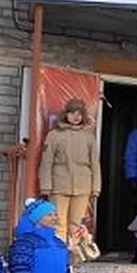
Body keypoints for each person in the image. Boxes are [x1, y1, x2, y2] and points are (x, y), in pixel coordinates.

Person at [37, 98, 100, 241]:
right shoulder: (54, 135)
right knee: (58, 222)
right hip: (59, 185)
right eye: (72, 113)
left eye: (79, 113)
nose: (76, 117)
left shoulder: (89, 137)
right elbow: (46, 162)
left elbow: (95, 164)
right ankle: (59, 256)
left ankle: (73, 258)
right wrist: (45, 186)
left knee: (76, 225)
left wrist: (95, 188)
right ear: (65, 114)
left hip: (83, 186)